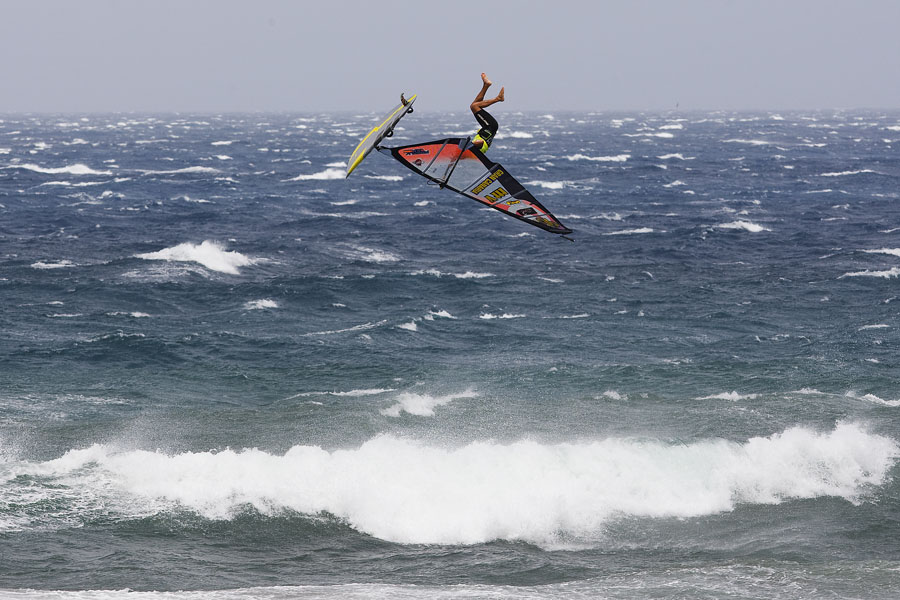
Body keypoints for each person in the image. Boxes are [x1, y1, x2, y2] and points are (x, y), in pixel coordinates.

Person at [469, 73, 504, 153]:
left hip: (489, 127)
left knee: (474, 105)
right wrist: (469, 145)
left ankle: (486, 85)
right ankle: (498, 98)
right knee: (474, 107)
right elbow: (480, 143)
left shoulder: (478, 152)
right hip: (490, 126)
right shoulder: (478, 149)